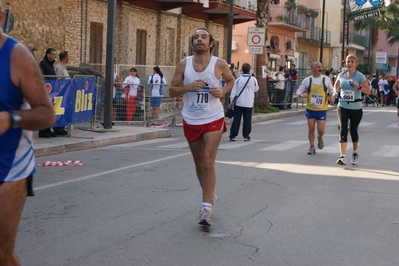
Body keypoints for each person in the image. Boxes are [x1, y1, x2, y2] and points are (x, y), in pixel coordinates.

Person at [0, 2, 56, 265]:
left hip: (8, 170)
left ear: (0, 18)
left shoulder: (17, 56)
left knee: (1, 253)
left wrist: (10, 118)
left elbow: (46, 114)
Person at [169, 28, 235, 226]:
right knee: (199, 163)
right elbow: (172, 90)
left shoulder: (219, 64)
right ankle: (209, 193)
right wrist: (188, 87)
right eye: (196, 37)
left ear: (211, 43)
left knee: (207, 161)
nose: (199, 40)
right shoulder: (184, 64)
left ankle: (206, 207)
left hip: (213, 117)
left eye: (203, 37)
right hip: (191, 118)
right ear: (192, 43)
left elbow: (231, 80)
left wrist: (221, 91)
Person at [332, 54, 371, 165]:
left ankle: (354, 152)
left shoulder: (360, 76)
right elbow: (336, 84)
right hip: (342, 105)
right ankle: (342, 156)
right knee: (343, 128)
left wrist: (358, 86)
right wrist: (335, 92)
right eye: (348, 61)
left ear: (356, 64)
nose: (349, 64)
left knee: (353, 130)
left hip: (356, 107)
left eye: (352, 62)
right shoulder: (341, 75)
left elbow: (368, 91)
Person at [296, 61, 334, 155]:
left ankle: (320, 137)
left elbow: (332, 90)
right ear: (313, 68)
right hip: (310, 109)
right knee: (311, 128)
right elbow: (298, 91)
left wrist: (332, 95)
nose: (320, 68)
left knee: (321, 130)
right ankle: (312, 147)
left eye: (321, 66)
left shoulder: (326, 79)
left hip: (322, 109)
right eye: (317, 67)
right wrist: (301, 95)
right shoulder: (307, 80)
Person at [228, 63, 259, 141]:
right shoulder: (253, 79)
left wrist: (231, 102)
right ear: (249, 69)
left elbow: (233, 92)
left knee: (236, 119)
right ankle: (246, 135)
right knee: (247, 120)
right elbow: (256, 89)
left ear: (242, 69)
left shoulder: (238, 79)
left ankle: (233, 135)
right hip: (249, 103)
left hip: (239, 102)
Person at [38, 48, 57, 138]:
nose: (55, 56)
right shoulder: (43, 64)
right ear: (48, 55)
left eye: (55, 55)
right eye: (53, 54)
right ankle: (43, 131)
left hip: (51, 92)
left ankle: (48, 129)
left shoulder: (51, 65)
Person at [52, 51, 70, 135]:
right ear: (65, 58)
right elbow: (59, 80)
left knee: (64, 111)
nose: (68, 59)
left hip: (65, 92)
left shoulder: (63, 67)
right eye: (68, 57)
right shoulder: (58, 67)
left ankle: (62, 128)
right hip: (61, 92)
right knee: (59, 111)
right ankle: (57, 128)